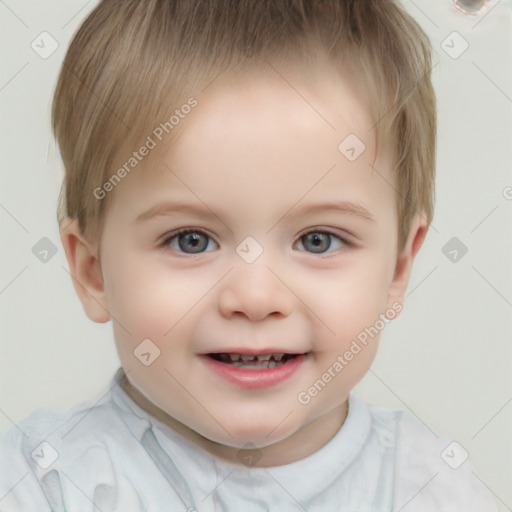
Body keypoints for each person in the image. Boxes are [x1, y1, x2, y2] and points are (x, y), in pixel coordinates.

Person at [0, 0, 498, 510]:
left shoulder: (433, 489)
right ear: (93, 272)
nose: (256, 298)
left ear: (398, 268)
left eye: (318, 240)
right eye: (190, 240)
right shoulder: (43, 485)